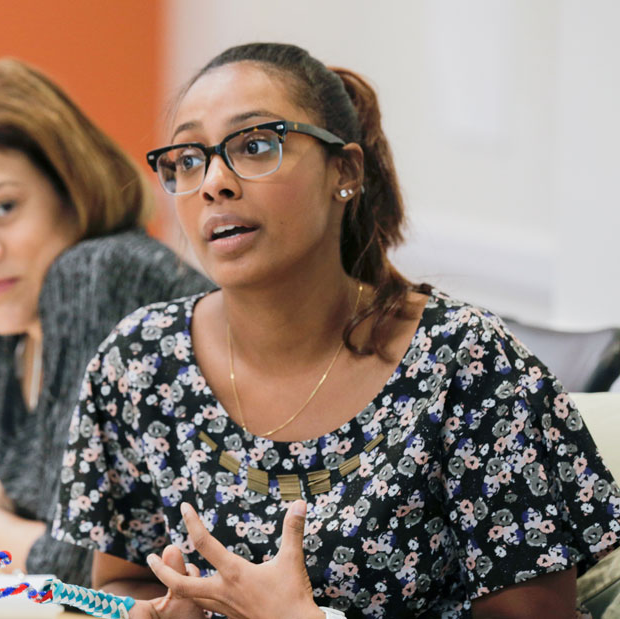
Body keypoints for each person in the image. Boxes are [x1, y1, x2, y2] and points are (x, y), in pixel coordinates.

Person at [52, 43, 620, 618]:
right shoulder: (140, 361)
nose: (213, 183)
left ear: (343, 171)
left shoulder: (465, 363)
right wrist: (161, 611)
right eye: (189, 160)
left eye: (255, 146)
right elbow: (123, 580)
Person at [0, 58, 212, 586]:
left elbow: (89, 560)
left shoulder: (98, 275)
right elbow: (26, 498)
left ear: (70, 190)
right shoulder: (2, 331)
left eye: (4, 207)